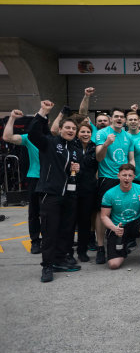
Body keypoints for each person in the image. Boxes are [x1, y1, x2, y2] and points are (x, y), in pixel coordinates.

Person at [27, 100, 81, 282]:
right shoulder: (49, 143)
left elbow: (70, 171)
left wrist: (75, 169)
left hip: (69, 196)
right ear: (60, 129)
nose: (71, 131)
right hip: (50, 194)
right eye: (67, 128)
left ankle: (60, 259)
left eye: (73, 129)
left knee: (66, 231)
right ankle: (47, 266)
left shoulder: (74, 149)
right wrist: (43, 111)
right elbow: (33, 133)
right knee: (49, 231)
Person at [94, 107, 132, 264]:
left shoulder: (128, 137)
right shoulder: (102, 134)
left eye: (122, 117)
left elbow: (131, 159)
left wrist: (131, 175)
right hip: (107, 178)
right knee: (102, 213)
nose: (119, 119)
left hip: (123, 178)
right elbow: (98, 157)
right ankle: (100, 247)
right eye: (116, 116)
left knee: (122, 210)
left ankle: (120, 242)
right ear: (111, 118)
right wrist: (106, 144)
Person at [100, 164, 140, 269]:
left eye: (130, 175)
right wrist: (114, 228)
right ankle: (123, 249)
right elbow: (104, 216)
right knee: (113, 265)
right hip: (118, 226)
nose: (127, 178)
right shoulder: (109, 193)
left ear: (134, 177)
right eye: (124, 175)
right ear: (118, 176)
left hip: (135, 223)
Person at [3, 109, 43, 254]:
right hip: (34, 177)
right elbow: (7, 137)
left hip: (51, 179)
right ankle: (35, 241)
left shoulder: (52, 137)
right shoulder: (28, 138)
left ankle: (49, 239)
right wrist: (12, 118)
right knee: (34, 212)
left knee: (49, 213)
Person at [73, 123, 98, 262]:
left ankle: (82, 251)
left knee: (84, 222)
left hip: (88, 189)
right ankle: (67, 252)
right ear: (78, 133)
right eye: (82, 131)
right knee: (69, 222)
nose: (85, 134)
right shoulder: (71, 146)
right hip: (72, 189)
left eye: (88, 132)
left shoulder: (94, 147)